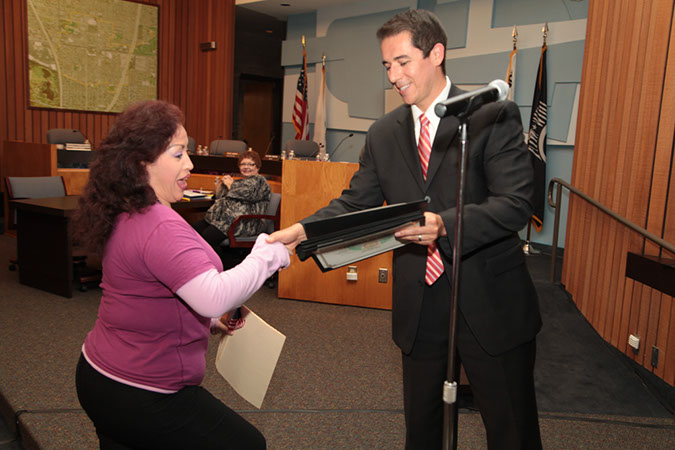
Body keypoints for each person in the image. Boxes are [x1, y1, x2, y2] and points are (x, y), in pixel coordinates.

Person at [268, 9, 542, 450]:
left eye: (402, 61)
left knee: (511, 429)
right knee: (422, 426)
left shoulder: (492, 115)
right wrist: (302, 230)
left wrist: (444, 225)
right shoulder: (383, 133)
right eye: (387, 66)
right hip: (420, 300)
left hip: (489, 297)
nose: (393, 75)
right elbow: (355, 202)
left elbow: (514, 205)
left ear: (436, 54)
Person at [73, 100, 289, 449]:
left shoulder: (127, 211)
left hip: (100, 376)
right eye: (177, 154)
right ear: (141, 163)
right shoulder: (159, 225)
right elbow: (213, 297)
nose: (189, 163)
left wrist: (206, 324)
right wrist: (268, 255)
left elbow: (148, 294)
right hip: (143, 393)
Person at [193, 150, 271, 259]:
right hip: (227, 220)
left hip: (246, 222)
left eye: (250, 164)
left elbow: (247, 195)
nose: (246, 167)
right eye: (243, 164)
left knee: (207, 237)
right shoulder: (240, 182)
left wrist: (230, 184)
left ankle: (220, 266)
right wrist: (222, 184)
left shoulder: (260, 182)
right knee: (193, 231)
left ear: (257, 167)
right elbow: (220, 196)